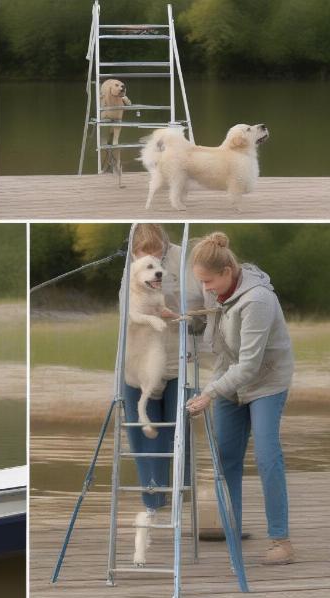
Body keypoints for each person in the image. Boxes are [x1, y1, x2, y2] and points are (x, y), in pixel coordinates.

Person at [186, 232, 295, 565]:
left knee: (266, 455)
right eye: (200, 282)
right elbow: (220, 347)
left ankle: (281, 542)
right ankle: (230, 528)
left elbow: (249, 364)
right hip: (231, 383)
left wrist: (208, 393)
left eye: (208, 281)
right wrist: (185, 322)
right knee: (225, 457)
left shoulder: (257, 300)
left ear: (227, 272)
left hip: (266, 382)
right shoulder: (222, 297)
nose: (205, 288)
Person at [122, 224, 204, 521]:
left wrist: (194, 333)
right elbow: (126, 315)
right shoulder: (129, 267)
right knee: (144, 435)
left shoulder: (185, 261)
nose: (152, 261)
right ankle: (153, 504)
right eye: (142, 256)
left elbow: (200, 304)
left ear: (165, 247)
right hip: (137, 363)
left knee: (180, 432)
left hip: (179, 360)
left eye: (157, 255)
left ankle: (181, 502)